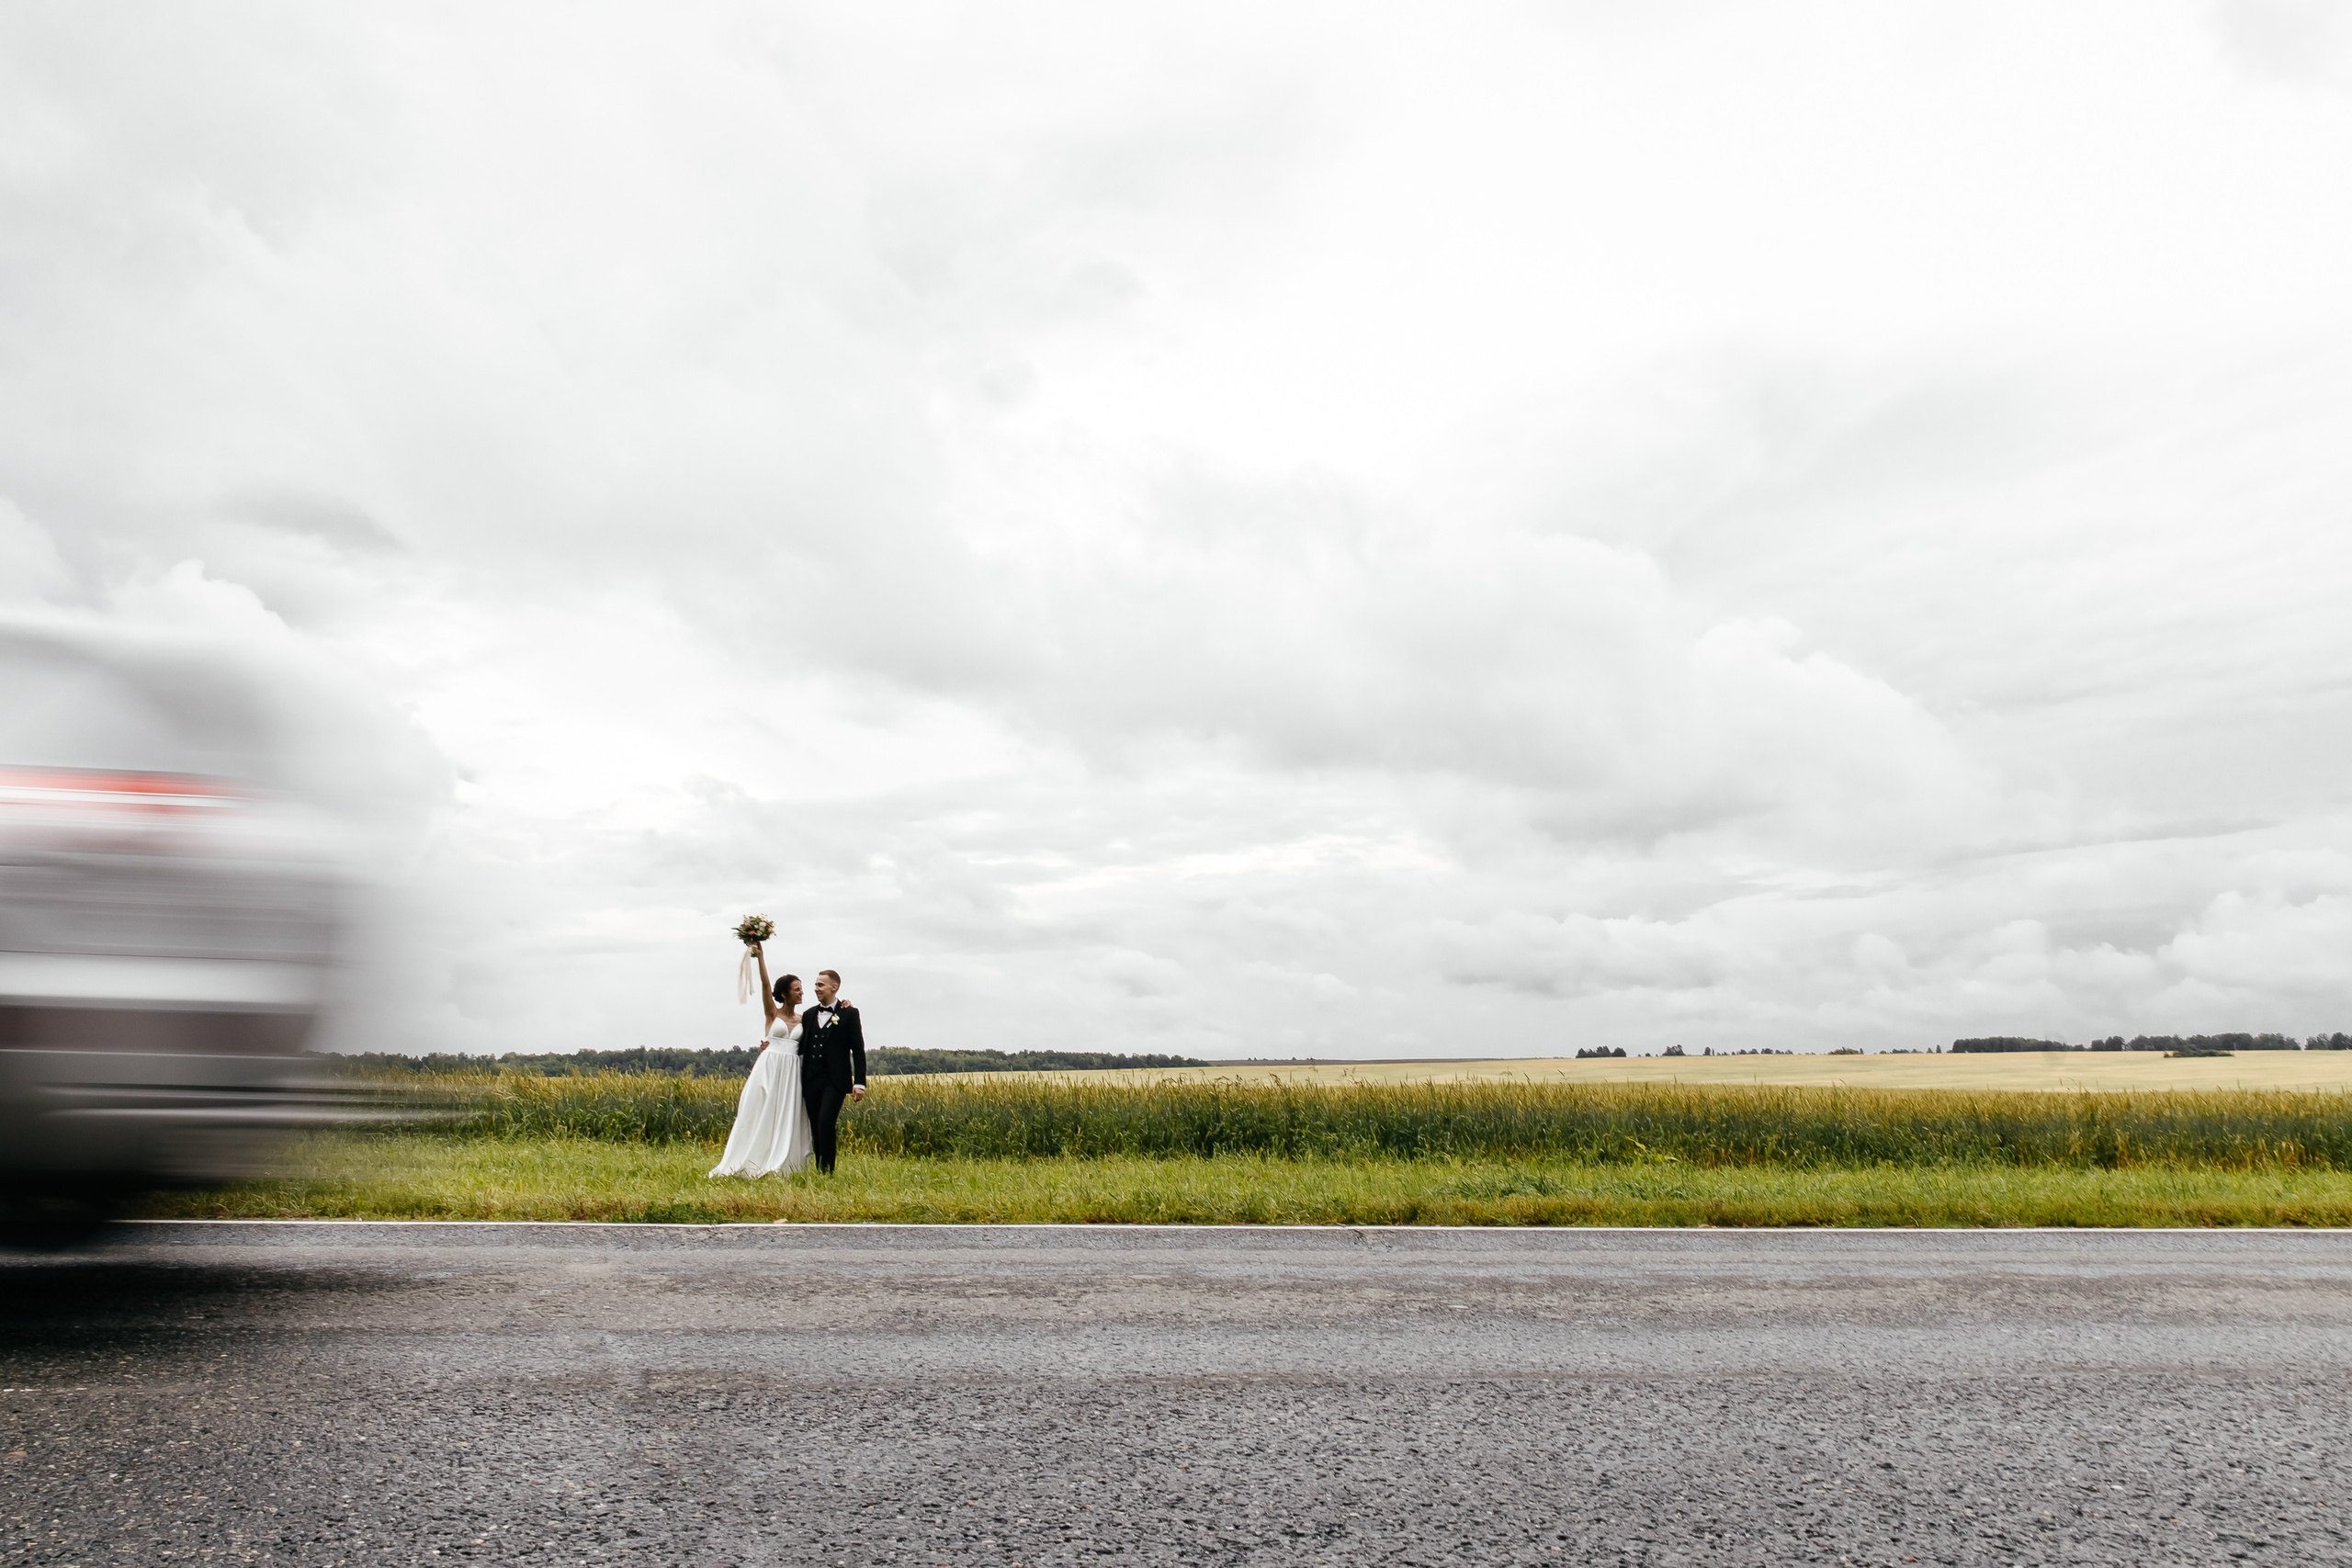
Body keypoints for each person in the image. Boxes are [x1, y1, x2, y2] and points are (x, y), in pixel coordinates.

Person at [707, 946, 815, 1179]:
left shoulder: (805, 1019)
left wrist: (845, 1004)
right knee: (760, 1110)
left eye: (801, 989)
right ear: (784, 994)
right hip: (769, 1067)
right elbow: (766, 984)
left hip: (792, 1072)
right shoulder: (772, 1014)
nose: (802, 993)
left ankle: (784, 1161)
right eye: (797, 989)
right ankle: (750, 1158)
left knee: (787, 1114)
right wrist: (761, 955)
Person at [798, 968, 866, 1175]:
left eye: (820, 985)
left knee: (825, 1123)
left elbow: (858, 1049)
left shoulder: (849, 1013)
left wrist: (859, 1083)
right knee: (815, 1126)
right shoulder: (809, 1015)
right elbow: (800, 1047)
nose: (816, 988)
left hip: (835, 1081)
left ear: (834, 987)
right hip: (811, 1080)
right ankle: (820, 1169)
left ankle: (827, 1171)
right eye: (816, 985)